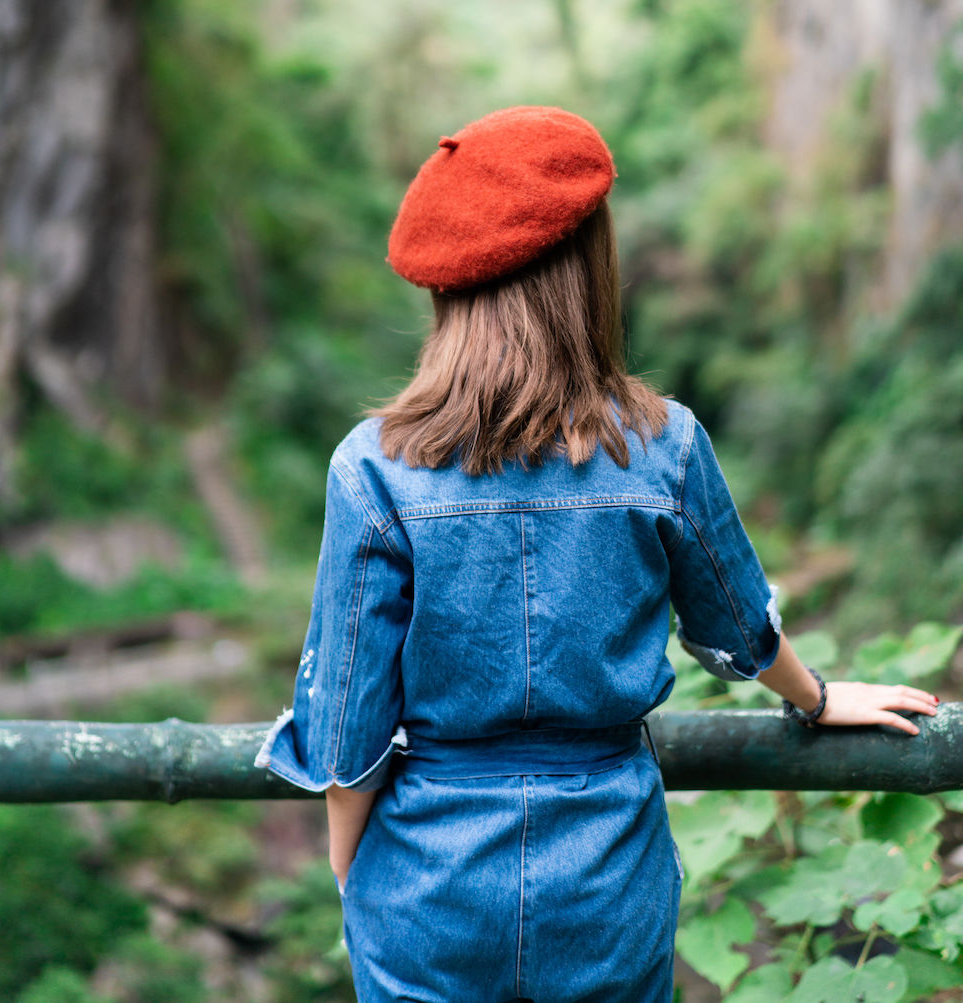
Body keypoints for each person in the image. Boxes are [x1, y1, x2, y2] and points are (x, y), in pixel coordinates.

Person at [255, 105, 939, 1003]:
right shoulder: (666, 445)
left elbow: (346, 723)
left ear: (448, 284)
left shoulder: (374, 466)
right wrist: (816, 698)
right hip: (607, 876)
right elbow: (734, 628)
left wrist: (351, 862)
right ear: (590, 267)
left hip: (428, 880)